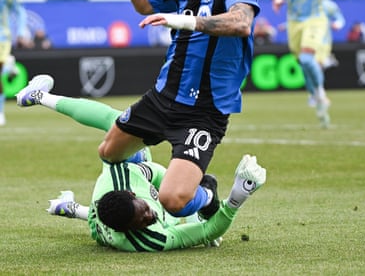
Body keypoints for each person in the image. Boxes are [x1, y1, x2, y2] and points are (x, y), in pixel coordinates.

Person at [100, 0, 260, 220]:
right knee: (109, 153)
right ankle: (155, 175)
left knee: (174, 201)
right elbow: (144, 3)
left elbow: (241, 22)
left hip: (204, 111)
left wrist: (181, 20)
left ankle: (208, 195)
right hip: (162, 98)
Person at [16, 74, 267, 252]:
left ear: (130, 193)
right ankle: (68, 208)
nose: (149, 214)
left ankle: (37, 96)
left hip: (104, 210)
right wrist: (236, 199)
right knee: (170, 211)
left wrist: (191, 189)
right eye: (143, 219)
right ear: (130, 230)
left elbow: (157, 175)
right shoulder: (151, 240)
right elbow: (205, 233)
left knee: (118, 123)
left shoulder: (120, 177)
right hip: (102, 224)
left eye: (143, 208)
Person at [271, 0, 342, 128]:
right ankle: (318, 103)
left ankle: (319, 92)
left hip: (316, 18)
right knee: (303, 63)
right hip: (294, 20)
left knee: (307, 58)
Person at [0, 0, 29, 125]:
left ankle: (0, 112)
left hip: (1, 38)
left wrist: (21, 31)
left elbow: (19, 11)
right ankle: (8, 66)